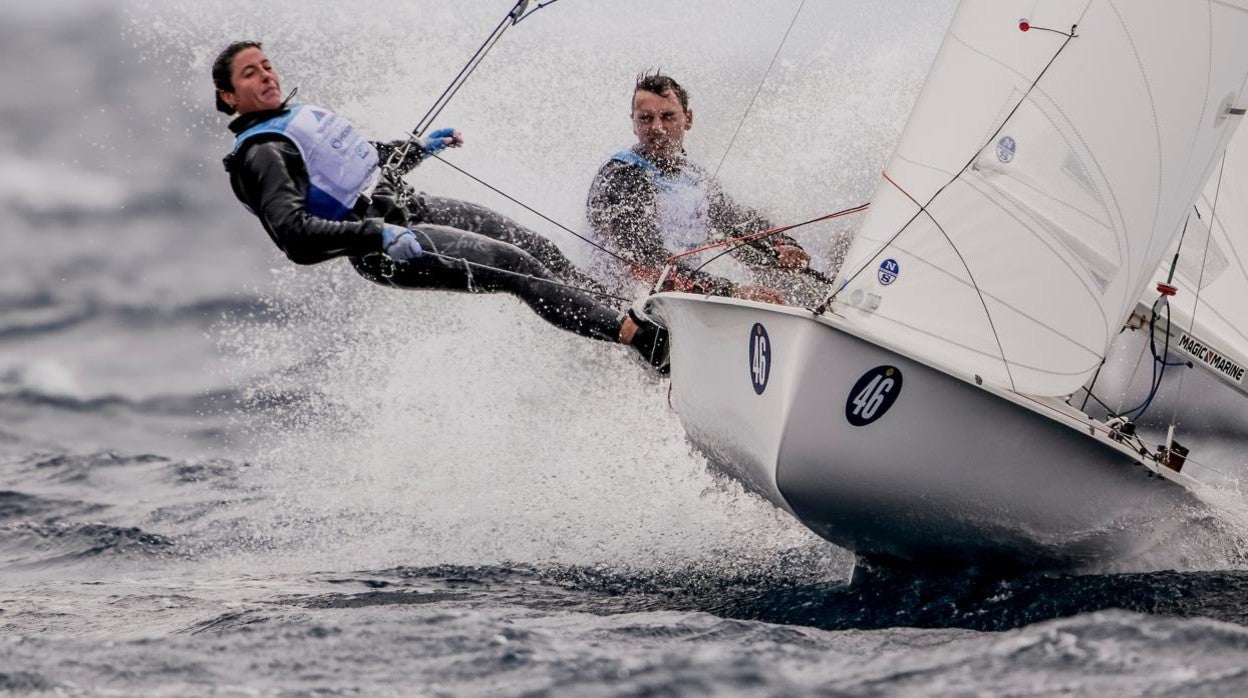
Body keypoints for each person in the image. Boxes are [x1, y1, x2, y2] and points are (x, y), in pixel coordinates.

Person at [212, 41, 667, 368]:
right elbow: (295, 237)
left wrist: (416, 150)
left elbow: (361, 161)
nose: (266, 75)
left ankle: (618, 309)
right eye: (250, 73)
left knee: (537, 246)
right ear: (229, 97)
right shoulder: (262, 153)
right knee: (517, 265)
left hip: (411, 208)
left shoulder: (296, 119)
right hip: (385, 248)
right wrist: (380, 236)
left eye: (266, 65)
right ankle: (642, 341)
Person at [586, 72, 816, 304]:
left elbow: (735, 223)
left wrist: (783, 245)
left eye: (667, 116)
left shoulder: (693, 177)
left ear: (688, 119)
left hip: (678, 301)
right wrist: (731, 291)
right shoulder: (621, 176)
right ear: (634, 124)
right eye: (646, 118)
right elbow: (644, 259)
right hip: (620, 309)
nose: (657, 127)